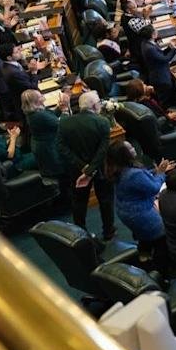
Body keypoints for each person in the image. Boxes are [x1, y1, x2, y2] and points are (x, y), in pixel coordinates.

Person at [58, 91, 115, 239]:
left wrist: (82, 167)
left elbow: (62, 147)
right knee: (106, 200)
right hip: (100, 168)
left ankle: (81, 233)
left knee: (79, 202)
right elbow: (103, 150)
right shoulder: (102, 122)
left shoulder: (65, 123)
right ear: (94, 105)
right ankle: (109, 231)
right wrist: (91, 169)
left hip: (77, 170)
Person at [107, 141, 171, 268]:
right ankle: (162, 271)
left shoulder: (119, 169)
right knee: (161, 240)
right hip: (140, 215)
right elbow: (153, 188)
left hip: (126, 212)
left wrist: (156, 171)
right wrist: (161, 174)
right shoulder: (133, 174)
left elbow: (141, 180)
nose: (133, 148)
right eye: (130, 148)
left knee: (145, 237)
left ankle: (144, 258)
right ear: (125, 155)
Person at [22, 89, 63, 186]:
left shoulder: (35, 110)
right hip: (48, 148)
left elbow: (51, 116)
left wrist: (59, 108)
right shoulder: (38, 115)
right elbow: (60, 124)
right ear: (36, 101)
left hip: (43, 144)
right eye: (40, 96)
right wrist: (65, 111)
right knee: (58, 173)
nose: (43, 96)